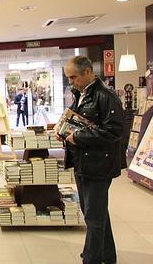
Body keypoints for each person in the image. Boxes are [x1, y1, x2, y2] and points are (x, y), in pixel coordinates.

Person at [58, 56, 125, 264]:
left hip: (99, 164)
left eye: (73, 77)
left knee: (93, 216)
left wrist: (77, 137)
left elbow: (114, 131)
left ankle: (91, 258)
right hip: (84, 162)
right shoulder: (81, 94)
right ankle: (107, 254)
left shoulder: (106, 96)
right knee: (95, 211)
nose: (71, 82)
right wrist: (64, 130)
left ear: (88, 71)